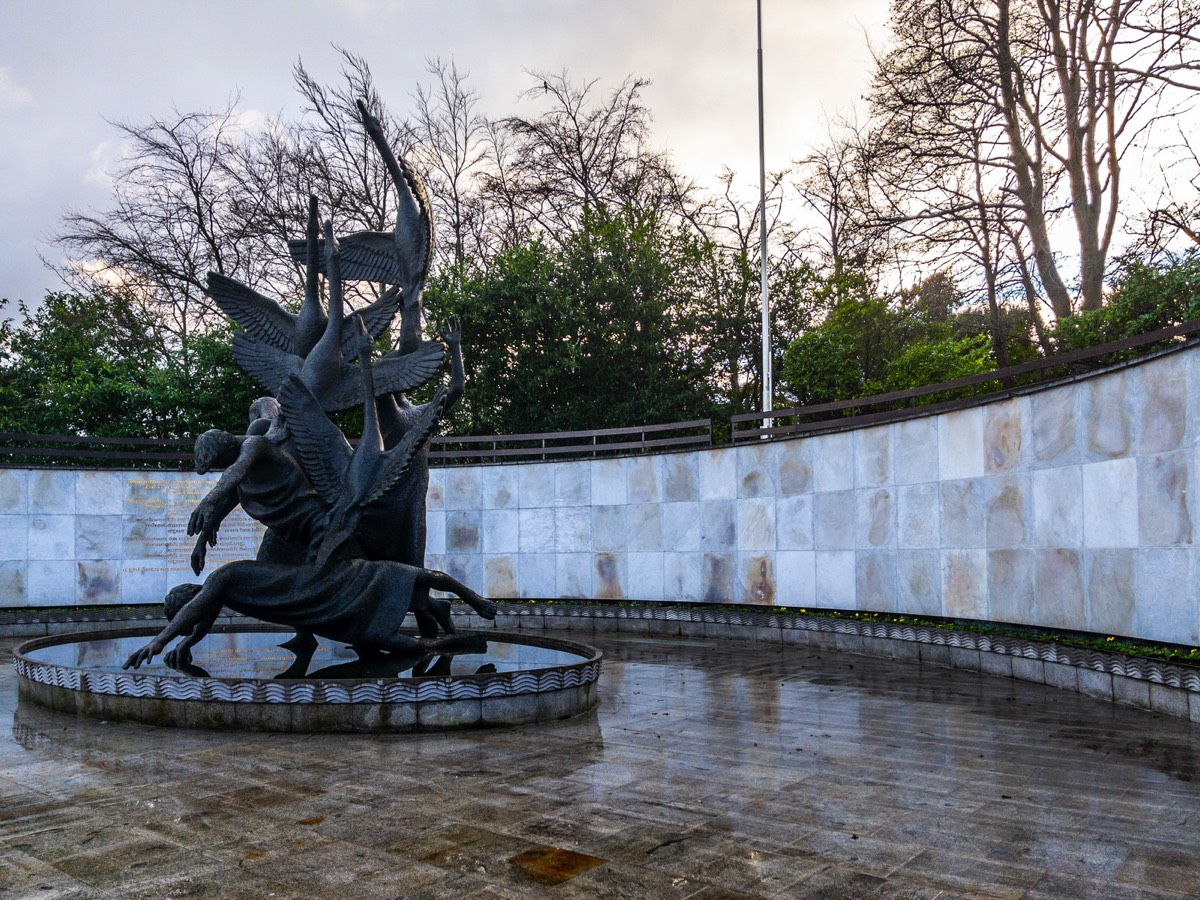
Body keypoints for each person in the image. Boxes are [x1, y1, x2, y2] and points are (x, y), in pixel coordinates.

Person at [123, 558, 496, 670]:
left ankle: (472, 603)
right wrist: (187, 643)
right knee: (378, 636)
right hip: (318, 608)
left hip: (319, 584)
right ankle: (443, 641)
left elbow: (195, 610)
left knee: (406, 575)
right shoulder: (219, 596)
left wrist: (159, 640)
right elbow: (200, 618)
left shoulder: (222, 578)